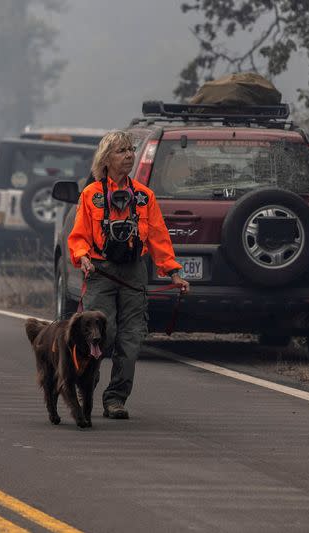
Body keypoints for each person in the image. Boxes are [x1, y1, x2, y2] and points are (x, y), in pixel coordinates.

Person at [68, 131, 190, 419]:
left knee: (131, 338)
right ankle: (86, 386)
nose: (129, 156)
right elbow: (78, 237)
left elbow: (159, 238)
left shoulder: (144, 196)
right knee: (99, 336)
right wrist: (82, 257)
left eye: (131, 150)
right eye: (122, 151)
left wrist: (174, 273)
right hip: (100, 272)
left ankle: (115, 399)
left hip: (134, 274)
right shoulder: (91, 195)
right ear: (106, 158)